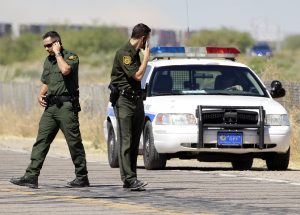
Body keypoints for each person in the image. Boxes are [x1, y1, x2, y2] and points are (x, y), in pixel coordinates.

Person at [10, 31, 89, 188]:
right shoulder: (48, 61)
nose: (46, 49)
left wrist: (58, 53)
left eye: (49, 45)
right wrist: (41, 94)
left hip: (66, 106)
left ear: (57, 43)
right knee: (41, 140)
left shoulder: (71, 56)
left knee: (74, 142)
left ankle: (82, 177)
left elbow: (66, 70)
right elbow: (47, 81)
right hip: (51, 107)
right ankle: (31, 176)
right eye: (44, 46)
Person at [109, 23, 151, 191]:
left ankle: (131, 179)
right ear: (142, 38)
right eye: (147, 39)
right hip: (124, 101)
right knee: (125, 141)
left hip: (136, 100)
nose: (147, 43)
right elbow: (137, 75)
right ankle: (129, 178)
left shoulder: (134, 54)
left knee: (134, 142)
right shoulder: (124, 53)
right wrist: (146, 57)